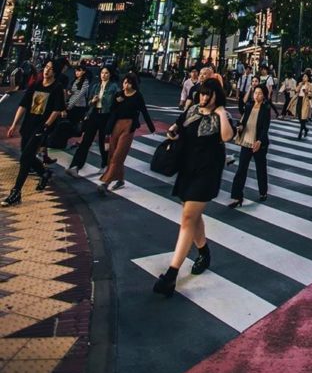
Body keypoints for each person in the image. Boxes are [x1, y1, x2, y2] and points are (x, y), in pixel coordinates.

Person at [153, 79, 235, 296]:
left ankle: (171, 274)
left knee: (188, 218)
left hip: (207, 173)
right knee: (193, 217)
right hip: (187, 169)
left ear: (217, 96)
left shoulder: (221, 115)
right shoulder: (191, 110)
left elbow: (227, 136)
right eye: (202, 94)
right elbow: (176, 127)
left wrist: (220, 112)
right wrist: (172, 132)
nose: (204, 98)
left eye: (209, 94)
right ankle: (204, 253)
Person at [1, 61, 66, 206]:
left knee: (25, 158)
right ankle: (44, 173)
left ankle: (16, 192)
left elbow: (57, 110)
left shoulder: (57, 88)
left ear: (55, 72)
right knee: (26, 155)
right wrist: (14, 124)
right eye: (46, 68)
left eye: (50, 69)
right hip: (28, 126)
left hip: (40, 128)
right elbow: (23, 105)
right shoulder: (36, 85)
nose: (47, 71)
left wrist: (46, 125)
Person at [98, 73, 156, 194]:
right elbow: (113, 111)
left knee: (119, 154)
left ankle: (106, 182)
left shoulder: (137, 96)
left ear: (133, 84)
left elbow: (144, 111)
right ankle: (120, 179)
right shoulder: (119, 95)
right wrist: (117, 102)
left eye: (129, 82)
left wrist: (151, 128)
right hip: (116, 125)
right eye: (124, 82)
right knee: (112, 153)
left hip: (129, 126)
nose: (126, 85)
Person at [67, 67, 119, 174]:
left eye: (106, 73)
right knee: (86, 140)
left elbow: (116, 102)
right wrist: (93, 101)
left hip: (106, 116)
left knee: (102, 142)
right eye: (102, 73)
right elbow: (89, 102)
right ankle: (75, 166)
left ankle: (105, 164)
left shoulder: (113, 87)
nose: (103, 75)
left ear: (110, 74)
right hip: (94, 114)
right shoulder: (96, 86)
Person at [229, 84, 271, 207]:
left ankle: (263, 192)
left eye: (259, 93)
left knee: (261, 168)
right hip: (246, 141)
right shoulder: (249, 106)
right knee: (241, 169)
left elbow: (265, 128)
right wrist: (240, 126)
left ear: (264, 96)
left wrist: (260, 141)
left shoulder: (266, 108)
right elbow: (243, 120)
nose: (257, 95)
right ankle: (237, 197)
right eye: (255, 93)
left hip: (258, 143)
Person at [292, 73, 312, 139]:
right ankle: (305, 129)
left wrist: (307, 92)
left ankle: (300, 132)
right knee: (299, 117)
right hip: (299, 100)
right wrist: (300, 85)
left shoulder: (310, 85)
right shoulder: (300, 83)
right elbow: (296, 90)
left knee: (303, 118)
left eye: (305, 76)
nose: (304, 78)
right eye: (303, 76)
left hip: (305, 101)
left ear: (308, 78)